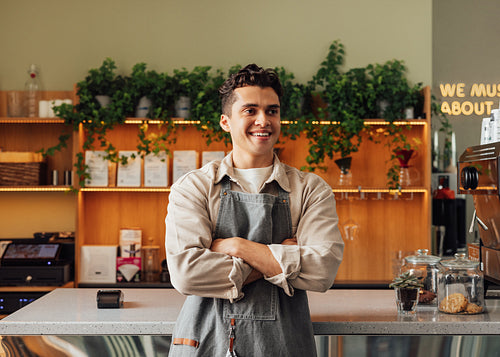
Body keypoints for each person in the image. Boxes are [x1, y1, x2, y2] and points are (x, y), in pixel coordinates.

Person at [165, 64, 344, 356]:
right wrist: (279, 256)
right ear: (226, 121)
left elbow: (322, 271)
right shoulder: (194, 187)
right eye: (250, 110)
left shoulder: (311, 189)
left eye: (272, 111)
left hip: (284, 345)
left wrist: (236, 246)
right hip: (206, 344)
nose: (263, 120)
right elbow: (186, 274)